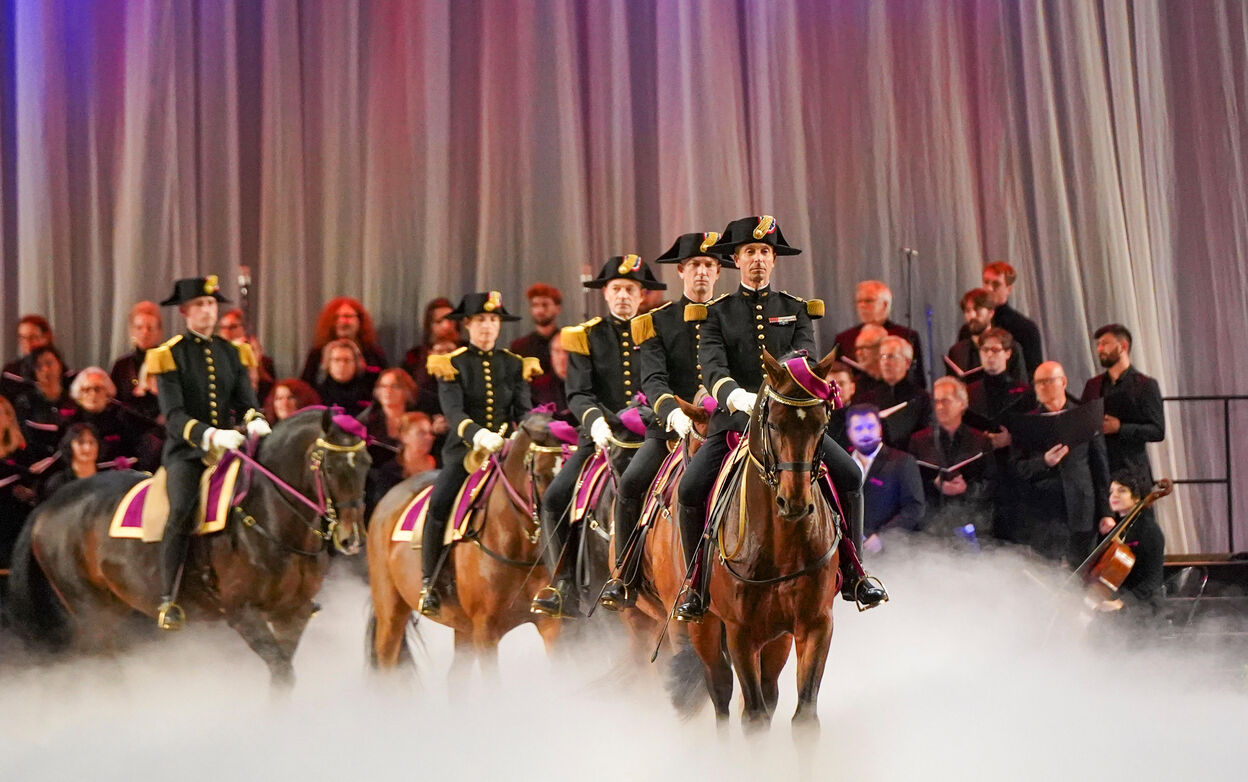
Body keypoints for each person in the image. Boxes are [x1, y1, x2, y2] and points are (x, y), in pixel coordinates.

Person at [674, 214, 887, 621]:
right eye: (750, 251)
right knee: (690, 489)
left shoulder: (795, 309)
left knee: (849, 475)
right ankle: (695, 585)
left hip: (789, 423)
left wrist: (776, 396)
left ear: (773, 260)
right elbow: (713, 369)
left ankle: (855, 572)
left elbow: (804, 359)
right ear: (737, 259)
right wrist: (737, 397)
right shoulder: (716, 313)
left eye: (764, 252)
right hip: (736, 422)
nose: (758, 259)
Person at [531, 255, 664, 618]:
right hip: (601, 436)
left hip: (654, 436)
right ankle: (564, 586)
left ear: (642, 295)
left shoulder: (657, 332)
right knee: (555, 498)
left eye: (631, 289)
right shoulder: (585, 336)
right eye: (616, 288)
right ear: (605, 293)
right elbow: (578, 393)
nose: (623, 296)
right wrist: (595, 422)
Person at [599, 232, 727, 611]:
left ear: (718, 271)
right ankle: (624, 577)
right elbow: (654, 380)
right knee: (631, 485)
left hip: (727, 428)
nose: (701, 272)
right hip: (672, 430)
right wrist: (672, 412)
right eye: (694, 265)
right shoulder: (656, 321)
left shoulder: (732, 315)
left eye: (708, 265)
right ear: (681, 270)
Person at [145, 275, 270, 631]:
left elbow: (246, 402)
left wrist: (256, 420)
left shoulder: (232, 352)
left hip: (232, 449)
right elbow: (174, 417)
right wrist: (211, 435)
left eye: (212, 303)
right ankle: (168, 598)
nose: (208, 310)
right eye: (200, 304)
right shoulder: (169, 355)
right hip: (188, 452)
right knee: (181, 510)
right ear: (184, 311)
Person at [417, 292, 538, 617]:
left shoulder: (514, 364)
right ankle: (430, 580)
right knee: (440, 503)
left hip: (507, 453)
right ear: (468, 324)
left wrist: (521, 435)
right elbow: (454, 413)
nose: (488, 326)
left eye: (494, 320)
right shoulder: (452, 363)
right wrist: (479, 435)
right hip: (466, 453)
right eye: (481, 320)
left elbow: (523, 411)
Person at [1010, 361, 1111, 563]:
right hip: (1044, 512)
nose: (1041, 387)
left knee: (1081, 571)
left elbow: (1100, 467)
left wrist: (1106, 513)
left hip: (1082, 508)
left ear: (1063, 382)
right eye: (1038, 383)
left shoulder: (1084, 416)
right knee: (1047, 573)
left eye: (1047, 381)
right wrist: (1044, 462)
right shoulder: (1027, 423)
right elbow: (1017, 468)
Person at [907, 377, 995, 541]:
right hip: (932, 523)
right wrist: (934, 484)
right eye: (936, 402)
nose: (939, 407)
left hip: (971, 518)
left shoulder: (979, 440)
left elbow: (991, 481)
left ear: (962, 403)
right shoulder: (918, 440)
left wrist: (966, 488)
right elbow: (911, 484)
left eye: (945, 401)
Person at [1080, 324, 1165, 483]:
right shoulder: (1093, 385)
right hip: (1100, 471)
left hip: (1132, 472)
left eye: (1105, 343)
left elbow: (1157, 431)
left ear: (1123, 346)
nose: (1099, 349)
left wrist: (1120, 428)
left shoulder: (1145, 385)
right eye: (1098, 345)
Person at [844, 404, 925, 551]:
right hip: (847, 549)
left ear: (880, 428)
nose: (865, 433)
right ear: (848, 432)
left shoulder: (902, 461)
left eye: (871, 427)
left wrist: (883, 537)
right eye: (858, 429)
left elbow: (914, 508)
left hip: (890, 552)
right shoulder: (841, 463)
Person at [1092, 468, 1166, 617]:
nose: (1114, 495)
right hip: (1117, 600)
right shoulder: (1117, 529)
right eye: (1111, 492)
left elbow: (1153, 580)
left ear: (1137, 497)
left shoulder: (1149, 530)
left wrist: (1122, 602)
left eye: (1122, 490)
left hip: (1142, 605)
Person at [958, 262, 1044, 378]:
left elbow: (1034, 372)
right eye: (986, 282)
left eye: (996, 284)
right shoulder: (969, 328)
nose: (989, 288)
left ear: (1009, 289)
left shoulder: (1025, 328)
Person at [833, 280, 925, 384]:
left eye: (868, 301)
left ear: (885, 304)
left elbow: (918, 379)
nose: (862, 306)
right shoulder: (844, 339)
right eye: (859, 301)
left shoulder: (906, 336)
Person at [854, 335, 931, 449]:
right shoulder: (867, 398)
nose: (885, 362)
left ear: (907, 363)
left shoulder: (921, 398)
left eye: (891, 356)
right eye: (882, 357)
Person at [68, 366, 146, 467]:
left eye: (97, 389)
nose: (93, 394)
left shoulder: (123, 418)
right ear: (78, 396)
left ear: (108, 394)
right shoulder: (71, 421)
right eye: (86, 389)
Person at [300, 297, 388, 385]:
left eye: (347, 316)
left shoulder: (373, 353)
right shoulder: (317, 354)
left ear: (360, 321)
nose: (342, 321)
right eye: (336, 317)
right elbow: (305, 386)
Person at [945, 287, 1027, 380]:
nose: (972, 316)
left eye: (977, 310)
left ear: (991, 313)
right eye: (967, 311)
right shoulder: (957, 351)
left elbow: (1021, 384)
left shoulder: (1010, 348)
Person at [13, 345, 75, 459]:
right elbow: (21, 436)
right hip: (34, 459)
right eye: (38, 366)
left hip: (66, 460)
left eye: (49, 363)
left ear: (59, 365)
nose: (45, 370)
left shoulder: (73, 400)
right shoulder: (25, 401)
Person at [403, 297, 459, 419]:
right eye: (439, 321)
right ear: (430, 326)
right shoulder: (415, 356)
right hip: (425, 417)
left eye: (451, 320)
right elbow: (411, 395)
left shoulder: (468, 351)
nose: (446, 326)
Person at [110, 301, 165, 425]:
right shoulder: (121, 365)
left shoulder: (170, 362)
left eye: (150, 328)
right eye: (139, 328)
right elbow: (114, 401)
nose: (144, 333)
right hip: (127, 426)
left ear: (159, 332)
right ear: (132, 331)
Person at [0, 395, 38, 571]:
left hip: (16, 524)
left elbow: (33, 486)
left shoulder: (22, 453)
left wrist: (29, 494)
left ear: (8, 418)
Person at [218, 308, 276, 403]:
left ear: (244, 328)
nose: (226, 332)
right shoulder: (216, 355)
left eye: (232, 327)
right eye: (222, 327)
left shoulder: (259, 357)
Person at [39, 422, 102, 500]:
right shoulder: (58, 483)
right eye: (81, 442)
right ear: (69, 446)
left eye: (91, 442)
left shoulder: (107, 479)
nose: (87, 448)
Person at [315, 339, 375, 415]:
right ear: (328, 363)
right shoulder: (317, 394)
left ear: (356, 364)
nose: (342, 365)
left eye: (347, 360)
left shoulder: (369, 392)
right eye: (337, 360)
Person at [2, 314, 55, 399]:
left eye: (33, 337)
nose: (27, 343)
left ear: (46, 338)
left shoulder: (61, 373)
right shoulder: (10, 374)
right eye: (22, 338)